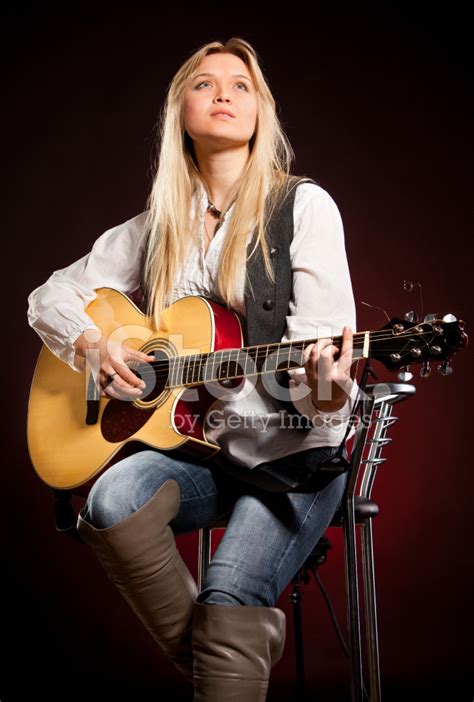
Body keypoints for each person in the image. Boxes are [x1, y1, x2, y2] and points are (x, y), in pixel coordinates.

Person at [27, 37, 358, 701]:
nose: (225, 94)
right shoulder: (162, 226)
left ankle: (222, 669)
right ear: (181, 112)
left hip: (291, 457)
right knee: (109, 500)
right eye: (205, 84)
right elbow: (49, 296)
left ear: (260, 111)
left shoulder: (304, 209)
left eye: (241, 85)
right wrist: (96, 347)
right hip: (203, 451)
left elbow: (325, 393)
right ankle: (224, 673)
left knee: (228, 591)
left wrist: (327, 385)